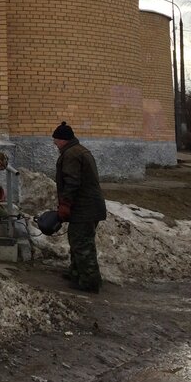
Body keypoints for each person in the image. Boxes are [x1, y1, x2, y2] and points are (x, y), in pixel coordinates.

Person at [52, 121, 107, 293]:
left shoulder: (72, 154)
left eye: (56, 140)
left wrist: (65, 204)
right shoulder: (78, 150)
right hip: (88, 206)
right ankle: (77, 273)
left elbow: (72, 182)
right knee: (77, 240)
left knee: (82, 243)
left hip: (85, 208)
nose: (54, 144)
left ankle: (89, 281)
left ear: (63, 140)